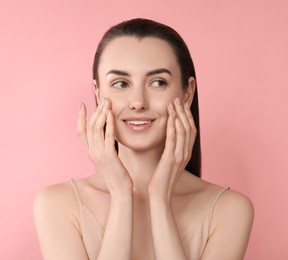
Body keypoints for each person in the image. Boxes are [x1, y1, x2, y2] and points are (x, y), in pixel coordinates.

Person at [34, 18, 254, 260]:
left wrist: (160, 199)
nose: (138, 102)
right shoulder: (57, 205)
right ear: (98, 93)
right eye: (121, 83)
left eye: (158, 82)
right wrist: (120, 195)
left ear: (187, 92)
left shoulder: (229, 209)